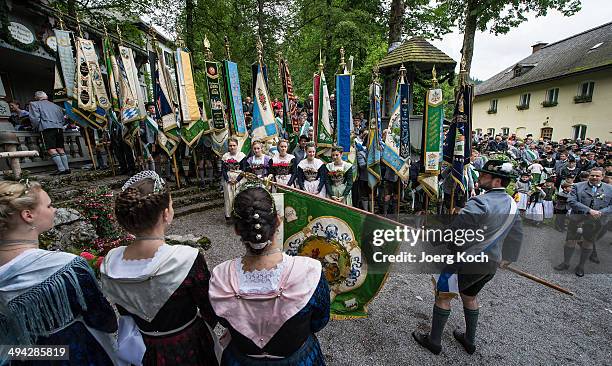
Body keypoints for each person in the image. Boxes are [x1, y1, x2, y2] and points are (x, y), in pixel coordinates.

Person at [100, 171, 218, 365]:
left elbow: (125, 311)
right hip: (188, 342)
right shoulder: (186, 258)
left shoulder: (111, 262)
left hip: (143, 344)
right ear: (166, 214)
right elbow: (209, 308)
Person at [0, 180, 118, 365]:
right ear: (28, 215)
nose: (54, 210)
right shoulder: (65, 268)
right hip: (75, 354)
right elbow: (104, 320)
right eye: (49, 205)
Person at [209, 186, 330, 365]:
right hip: (299, 359)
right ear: (279, 221)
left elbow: (223, 321)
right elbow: (319, 321)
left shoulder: (221, 276)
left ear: (236, 230)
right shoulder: (309, 271)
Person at [413, 160, 523, 355]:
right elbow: (516, 234)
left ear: (497, 181)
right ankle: (469, 341)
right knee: (470, 297)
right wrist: (509, 257)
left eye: (484, 175)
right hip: (490, 265)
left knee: (443, 295)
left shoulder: (479, 202)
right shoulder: (512, 206)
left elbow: (456, 233)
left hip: (465, 261)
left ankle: (434, 342)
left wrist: (429, 237)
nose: (479, 177)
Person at [554, 167, 612, 276]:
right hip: (577, 218)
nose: (594, 177)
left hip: (596, 221)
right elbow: (571, 201)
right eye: (592, 175)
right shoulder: (577, 186)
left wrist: (600, 212)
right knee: (570, 241)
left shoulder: (610, 189)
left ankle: (581, 266)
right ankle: (566, 263)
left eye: (597, 176)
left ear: (603, 177)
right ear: (589, 175)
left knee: (588, 243)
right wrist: (589, 211)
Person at [28, 91, 70, 175]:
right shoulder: (56, 106)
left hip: (47, 128)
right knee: (60, 148)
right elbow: (63, 119)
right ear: (46, 97)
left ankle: (61, 169)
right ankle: (67, 169)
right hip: (59, 128)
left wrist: (35, 127)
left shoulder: (34, 104)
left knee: (51, 149)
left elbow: (35, 119)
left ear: (36, 97)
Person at [222, 138, 247, 222]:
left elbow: (244, 169)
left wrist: (237, 180)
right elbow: (223, 170)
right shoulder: (225, 156)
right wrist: (227, 179)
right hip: (228, 178)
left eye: (234, 145)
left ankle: (240, 215)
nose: (232, 147)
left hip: (239, 177)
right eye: (230, 145)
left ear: (237, 146)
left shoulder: (241, 156)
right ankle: (229, 215)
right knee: (228, 197)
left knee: (239, 196)